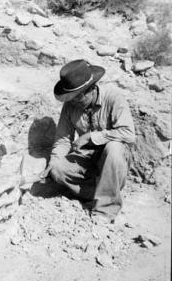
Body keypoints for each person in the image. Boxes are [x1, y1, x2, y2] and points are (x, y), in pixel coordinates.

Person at [39, 59, 135, 224]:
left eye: (78, 97)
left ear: (91, 89)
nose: (73, 101)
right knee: (57, 169)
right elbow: (63, 140)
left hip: (114, 158)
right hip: (88, 159)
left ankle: (105, 210)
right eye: (70, 98)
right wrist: (52, 163)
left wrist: (91, 137)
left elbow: (128, 134)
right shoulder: (70, 105)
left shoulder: (114, 98)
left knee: (113, 148)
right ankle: (104, 191)